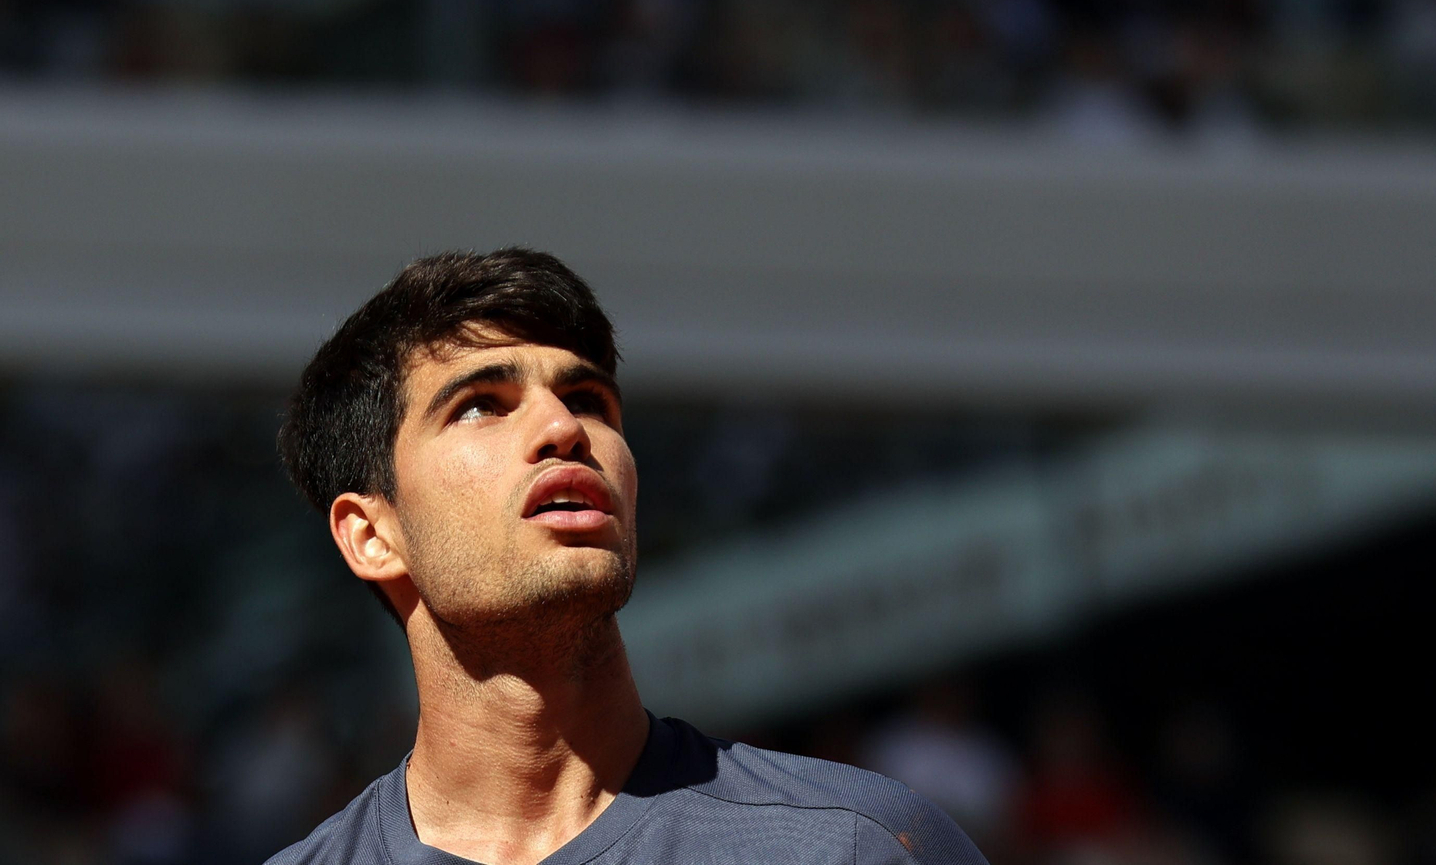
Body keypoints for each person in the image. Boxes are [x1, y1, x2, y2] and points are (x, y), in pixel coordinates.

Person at [269, 248, 987, 865]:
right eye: (481, 405)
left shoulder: (857, 846)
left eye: (587, 400)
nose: (562, 429)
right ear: (372, 535)